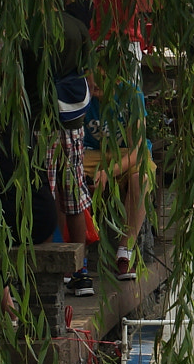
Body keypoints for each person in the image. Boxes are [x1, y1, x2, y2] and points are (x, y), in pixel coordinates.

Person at [86, 67, 154, 283]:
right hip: (91, 154)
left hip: (127, 155)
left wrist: (109, 171)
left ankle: (125, 251)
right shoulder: (80, 93)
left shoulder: (131, 95)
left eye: (102, 75)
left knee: (141, 178)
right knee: (65, 174)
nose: (95, 82)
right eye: (90, 74)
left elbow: (138, 149)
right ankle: (76, 256)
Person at [45, 72, 95, 295]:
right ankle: (80, 270)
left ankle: (48, 266)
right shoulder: (81, 36)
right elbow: (90, 81)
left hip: (43, 119)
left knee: (46, 191)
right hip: (73, 117)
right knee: (74, 194)